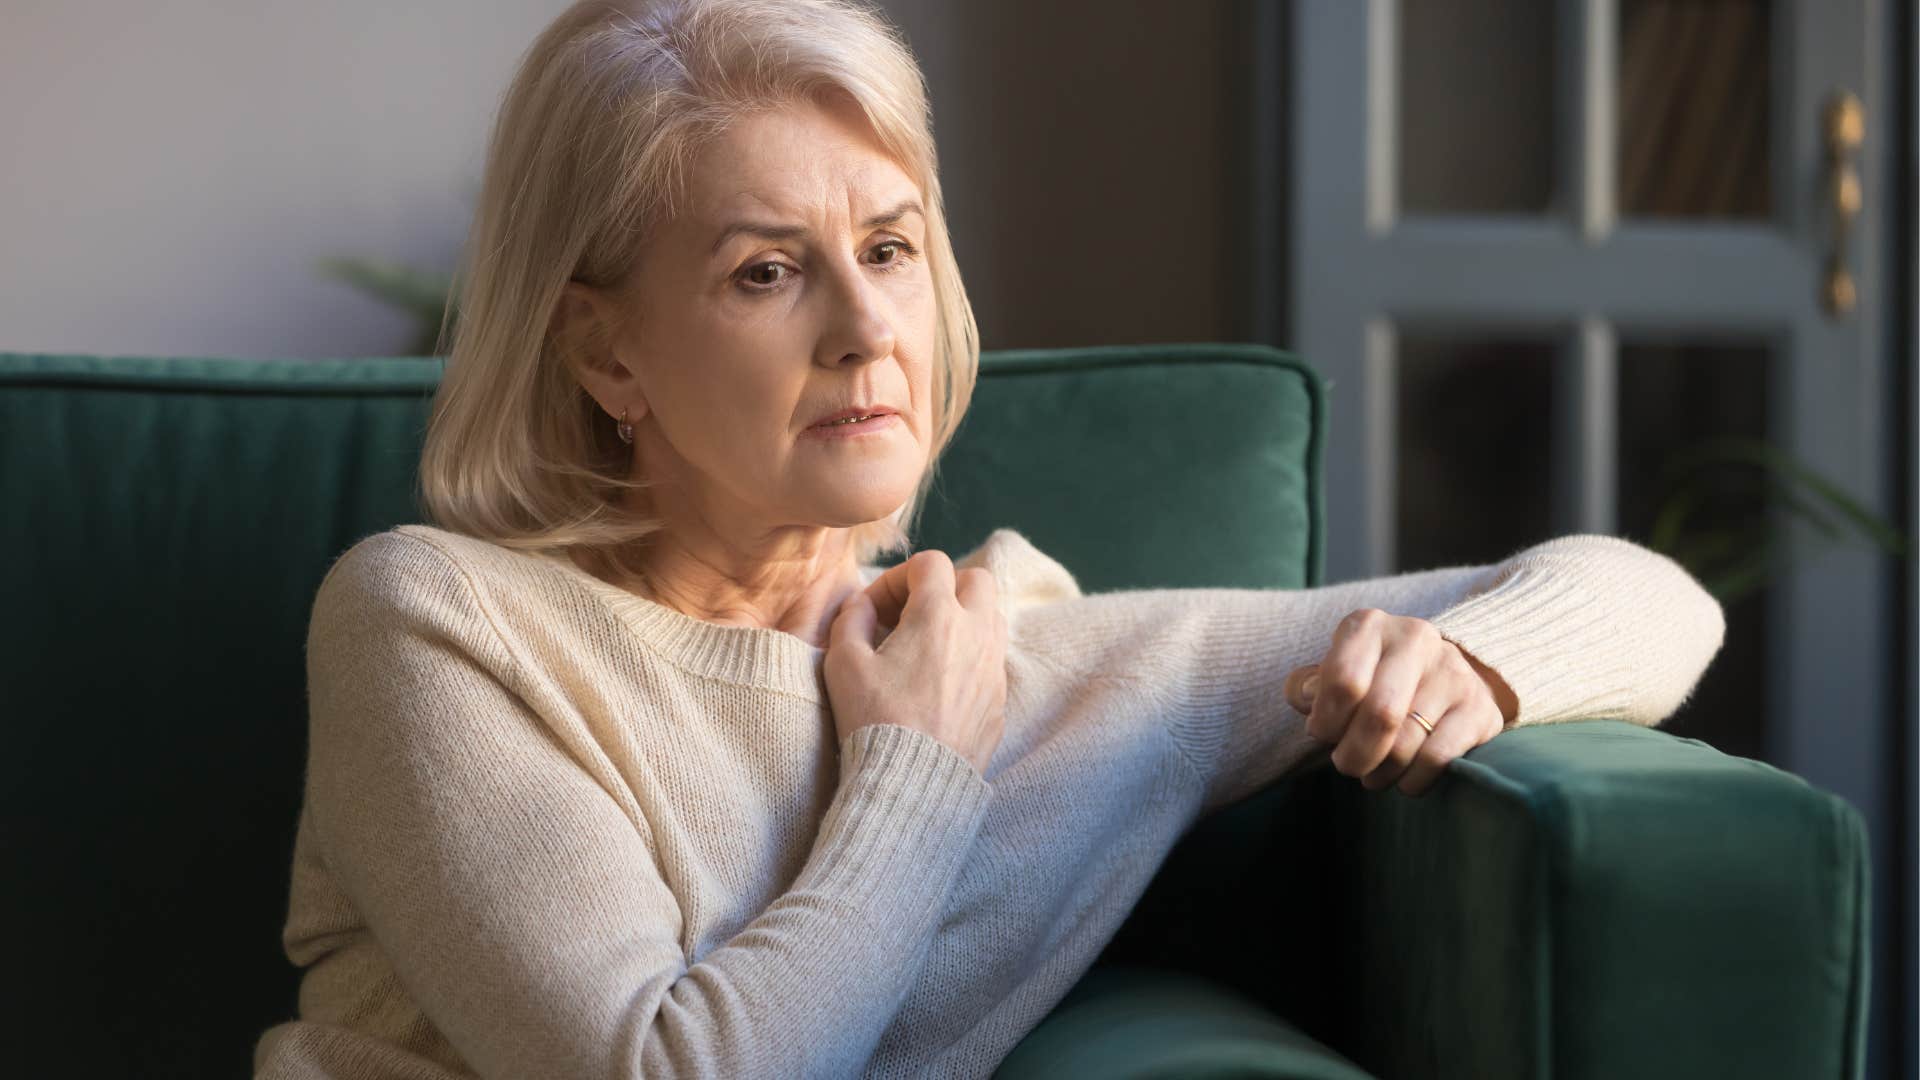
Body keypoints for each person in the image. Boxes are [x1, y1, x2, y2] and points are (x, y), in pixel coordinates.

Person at [251, 0, 1727, 1076]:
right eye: (768, 271)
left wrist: (1474, 660)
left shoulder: (1006, 652)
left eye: (889, 247)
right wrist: (915, 770)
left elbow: (1659, 601)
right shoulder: (433, 625)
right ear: (604, 355)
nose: (866, 327)